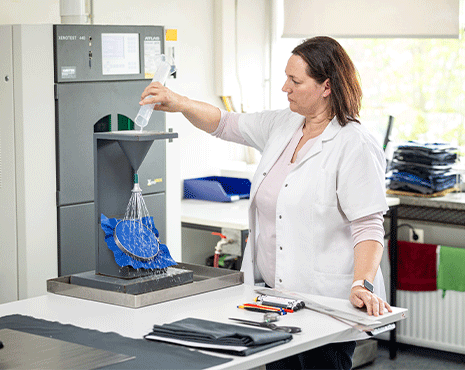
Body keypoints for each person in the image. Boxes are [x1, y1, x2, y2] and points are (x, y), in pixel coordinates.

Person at [140, 36, 392, 370]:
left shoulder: (354, 145)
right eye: (286, 78)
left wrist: (362, 283)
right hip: (272, 299)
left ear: (326, 86)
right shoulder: (283, 124)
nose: (285, 87)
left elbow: (368, 226)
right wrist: (180, 102)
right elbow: (225, 123)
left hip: (325, 301)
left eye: (295, 81)